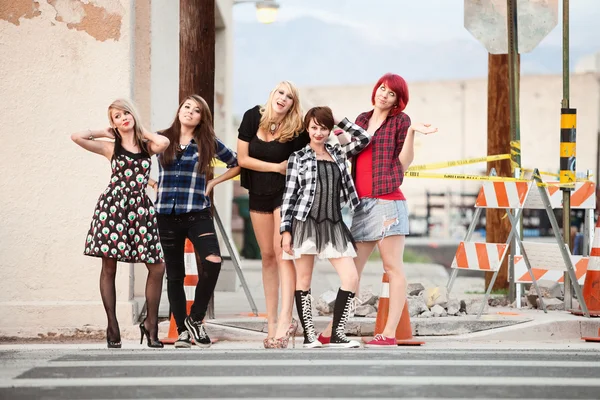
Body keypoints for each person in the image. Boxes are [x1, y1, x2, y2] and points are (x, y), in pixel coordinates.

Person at [317, 73, 437, 348]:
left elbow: (403, 162)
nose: (384, 94)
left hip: (387, 202)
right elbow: (349, 149)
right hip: (362, 204)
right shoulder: (360, 119)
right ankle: (334, 328)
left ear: (398, 100)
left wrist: (411, 133)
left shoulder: (400, 122)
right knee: (352, 272)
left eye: (391, 93)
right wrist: (334, 131)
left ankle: (389, 333)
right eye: (382, 88)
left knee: (392, 268)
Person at [71, 99, 170, 348]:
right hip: (113, 208)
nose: (123, 118)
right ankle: (112, 324)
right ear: (112, 123)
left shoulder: (148, 146)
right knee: (109, 268)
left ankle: (150, 324)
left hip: (140, 209)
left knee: (157, 266)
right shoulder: (110, 147)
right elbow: (76, 136)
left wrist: (139, 127)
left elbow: (164, 143)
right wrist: (101, 131)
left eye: (126, 112)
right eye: (117, 116)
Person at [149, 94, 240, 349]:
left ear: (202, 118)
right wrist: (152, 183)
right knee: (175, 276)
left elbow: (236, 163)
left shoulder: (207, 142)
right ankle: (181, 333)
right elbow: (135, 158)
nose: (190, 112)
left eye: (196, 110)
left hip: (197, 212)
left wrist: (213, 182)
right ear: (179, 111)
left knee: (213, 261)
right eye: (186, 107)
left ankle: (196, 319)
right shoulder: (161, 138)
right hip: (166, 214)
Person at [281, 106, 372, 349]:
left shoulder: (338, 152)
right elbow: (289, 197)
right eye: (313, 127)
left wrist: (340, 119)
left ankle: (337, 333)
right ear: (307, 129)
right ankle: (309, 335)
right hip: (305, 221)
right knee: (304, 279)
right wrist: (286, 232)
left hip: (333, 223)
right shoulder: (298, 157)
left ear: (329, 129)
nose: (318, 132)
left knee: (351, 278)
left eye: (323, 127)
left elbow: (364, 138)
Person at [237, 81, 309, 348]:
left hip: (284, 196)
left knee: (282, 255)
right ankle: (270, 324)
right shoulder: (252, 116)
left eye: (289, 97)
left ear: (293, 104)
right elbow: (242, 159)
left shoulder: (296, 129)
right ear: (271, 94)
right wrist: (276, 167)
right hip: (257, 193)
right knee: (267, 257)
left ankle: (285, 320)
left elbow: (312, 150)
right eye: (280, 93)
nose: (283, 99)